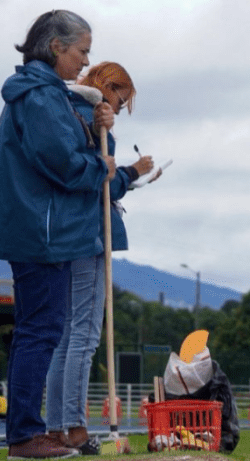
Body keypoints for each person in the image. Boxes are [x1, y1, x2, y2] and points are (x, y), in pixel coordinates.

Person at [0, 10, 115, 459]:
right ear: (56, 46)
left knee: (39, 330)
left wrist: (99, 127)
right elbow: (63, 163)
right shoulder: (41, 97)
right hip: (41, 232)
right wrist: (103, 166)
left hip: (37, 227)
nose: (85, 61)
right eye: (81, 50)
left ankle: (29, 430)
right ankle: (25, 435)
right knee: (40, 332)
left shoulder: (43, 94)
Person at [44, 62, 156, 454]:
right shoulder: (87, 112)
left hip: (70, 233)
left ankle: (59, 426)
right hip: (88, 235)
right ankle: (73, 426)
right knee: (83, 337)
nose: (121, 109)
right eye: (120, 100)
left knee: (67, 337)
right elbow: (97, 178)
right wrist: (122, 162)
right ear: (109, 87)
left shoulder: (68, 108)